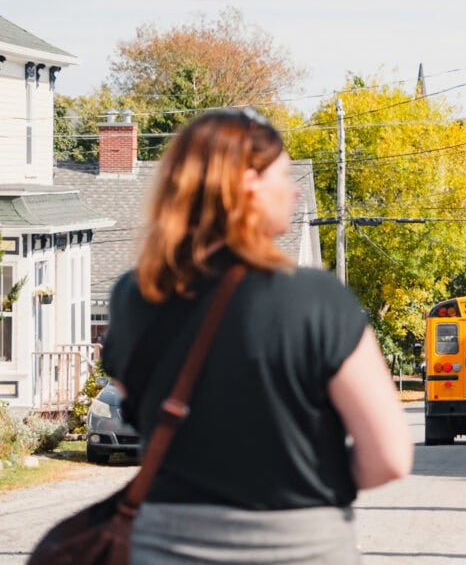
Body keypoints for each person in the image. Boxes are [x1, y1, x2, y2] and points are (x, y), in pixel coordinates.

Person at [100, 108, 413, 564]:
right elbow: (389, 457)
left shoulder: (134, 295)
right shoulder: (318, 298)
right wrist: (312, 484)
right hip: (301, 545)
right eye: (284, 175)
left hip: (163, 544)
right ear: (248, 182)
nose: (295, 189)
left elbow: (134, 404)